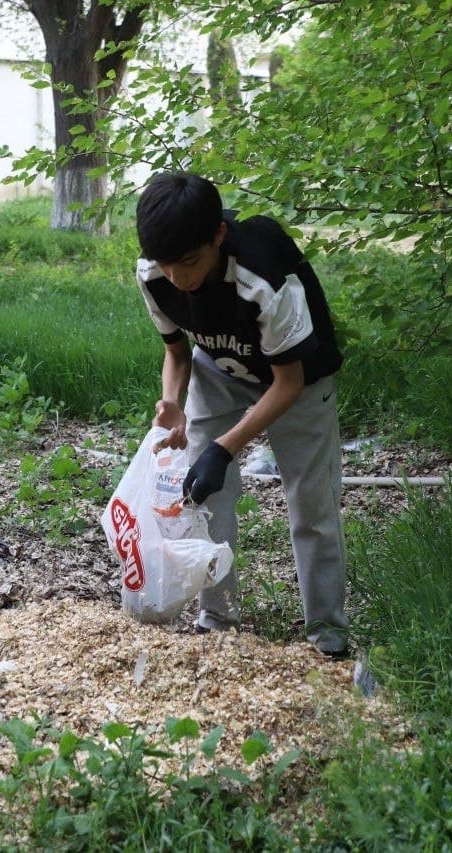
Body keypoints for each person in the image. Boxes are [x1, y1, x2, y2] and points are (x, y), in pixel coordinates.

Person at [133, 171, 350, 659]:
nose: (179, 280)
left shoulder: (262, 276)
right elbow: (178, 352)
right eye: (166, 266)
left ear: (218, 237)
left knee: (311, 506)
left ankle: (327, 637)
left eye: (189, 263)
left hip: (300, 379)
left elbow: (288, 383)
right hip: (218, 370)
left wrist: (224, 447)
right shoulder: (154, 274)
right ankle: (218, 622)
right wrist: (174, 406)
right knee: (204, 494)